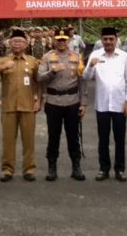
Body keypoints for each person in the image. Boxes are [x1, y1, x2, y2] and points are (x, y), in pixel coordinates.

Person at [0, 28, 42, 182]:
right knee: (8, 140)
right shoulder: (3, 60)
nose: (17, 44)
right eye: (14, 42)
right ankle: (7, 170)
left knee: (29, 140)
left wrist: (39, 100)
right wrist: (2, 67)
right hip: (9, 106)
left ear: (26, 44)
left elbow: (38, 82)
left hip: (28, 106)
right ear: (9, 44)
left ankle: (29, 169)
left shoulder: (32, 61)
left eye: (20, 41)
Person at [83, 26, 127, 181]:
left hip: (119, 104)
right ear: (101, 40)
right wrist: (91, 65)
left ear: (116, 40)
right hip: (102, 104)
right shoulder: (95, 55)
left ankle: (120, 169)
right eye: (105, 39)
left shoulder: (124, 56)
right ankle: (103, 169)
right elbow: (85, 77)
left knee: (120, 138)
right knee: (103, 138)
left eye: (111, 39)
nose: (108, 42)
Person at [37, 28, 87, 181]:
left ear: (69, 40)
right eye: (58, 39)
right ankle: (52, 167)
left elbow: (82, 81)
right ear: (54, 40)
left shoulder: (76, 56)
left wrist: (83, 103)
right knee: (53, 136)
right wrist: (52, 71)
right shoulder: (47, 57)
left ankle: (76, 167)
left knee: (73, 136)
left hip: (72, 101)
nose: (61, 42)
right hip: (53, 102)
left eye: (64, 39)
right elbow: (39, 77)